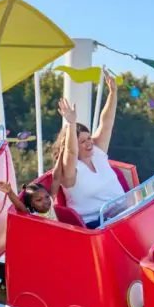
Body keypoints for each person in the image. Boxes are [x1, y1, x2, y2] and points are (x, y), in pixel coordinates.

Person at [54, 72, 123, 228]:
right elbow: (71, 153)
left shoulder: (97, 152)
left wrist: (113, 92)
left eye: (89, 138)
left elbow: (107, 122)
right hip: (96, 225)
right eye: (82, 141)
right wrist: (71, 123)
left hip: (123, 214)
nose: (89, 143)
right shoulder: (70, 171)